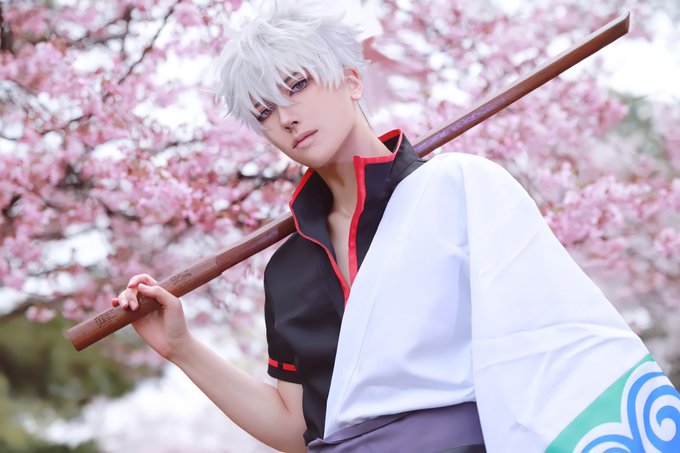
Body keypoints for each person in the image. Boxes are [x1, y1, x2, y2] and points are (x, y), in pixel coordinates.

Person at [113, 1, 680, 452]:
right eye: (264, 112)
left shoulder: (457, 191)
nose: (286, 117)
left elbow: (552, 344)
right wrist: (182, 348)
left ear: (351, 80)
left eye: (297, 85)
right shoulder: (288, 269)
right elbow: (298, 429)